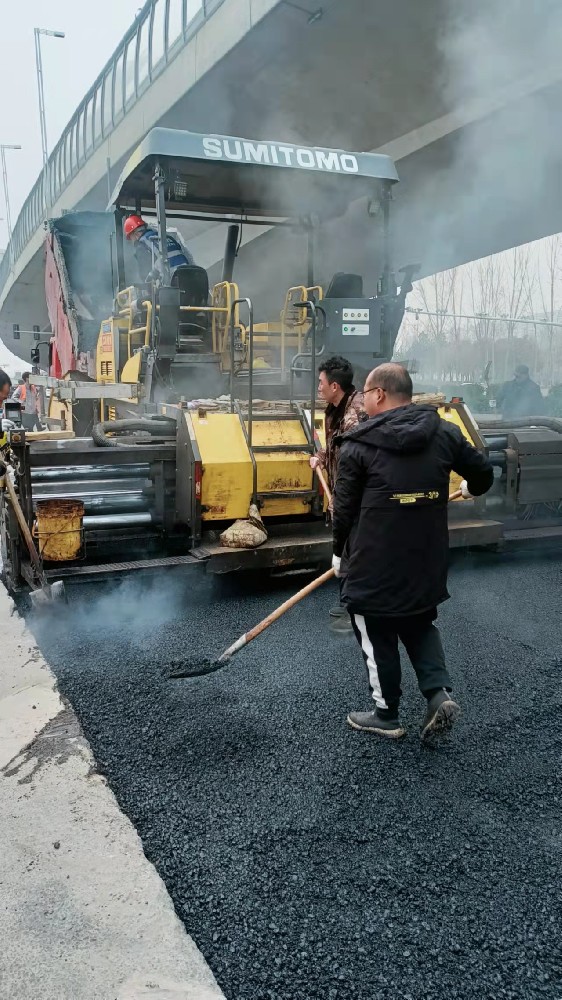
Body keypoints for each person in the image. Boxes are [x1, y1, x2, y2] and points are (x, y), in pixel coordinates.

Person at [331, 362, 494, 742]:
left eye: (365, 394)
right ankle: (438, 695)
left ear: (380, 394)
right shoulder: (446, 433)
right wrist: (471, 489)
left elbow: (344, 509)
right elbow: (484, 473)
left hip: (373, 561)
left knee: (373, 627)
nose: (364, 400)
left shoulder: (358, 444)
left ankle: (386, 713)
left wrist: (338, 553)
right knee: (419, 620)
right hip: (426, 556)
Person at [309, 356, 366, 626]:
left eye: (320, 382)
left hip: (357, 498)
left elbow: (353, 463)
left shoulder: (355, 414)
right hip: (346, 496)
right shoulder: (336, 409)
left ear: (334, 386)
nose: (317, 387)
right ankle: (350, 604)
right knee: (349, 550)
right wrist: (320, 457)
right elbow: (335, 445)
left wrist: (341, 500)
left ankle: (352, 609)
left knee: (353, 550)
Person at [123, 214, 195, 283]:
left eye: (130, 238)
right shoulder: (167, 237)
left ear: (135, 234)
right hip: (190, 278)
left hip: (172, 284)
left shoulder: (142, 245)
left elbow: (145, 275)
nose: (132, 241)